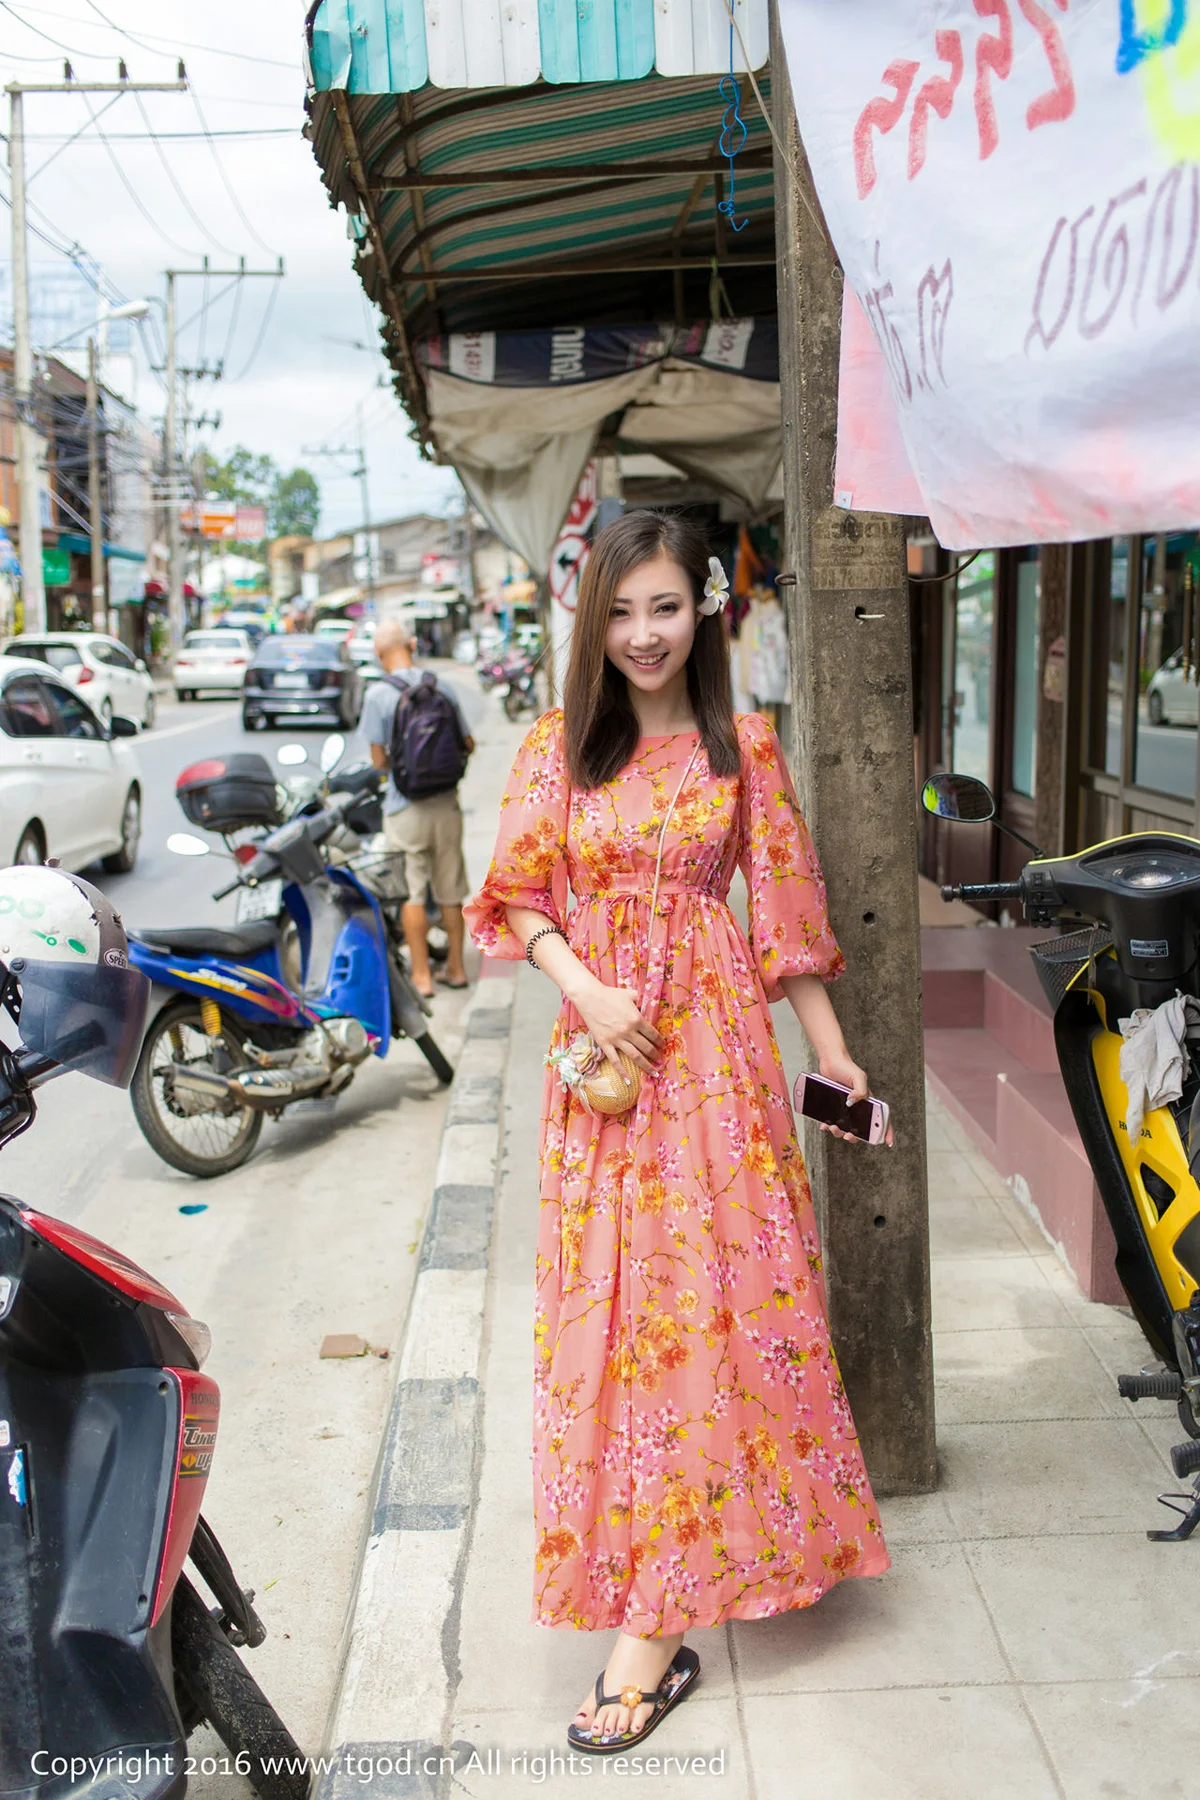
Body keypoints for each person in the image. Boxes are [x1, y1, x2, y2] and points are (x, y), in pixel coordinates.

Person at [464, 511, 890, 1757]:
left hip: (718, 1068)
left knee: (727, 1311)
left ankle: (656, 1624)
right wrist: (583, 983)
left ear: (704, 609)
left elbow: (788, 915)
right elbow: (515, 899)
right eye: (621, 610)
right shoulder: (559, 750)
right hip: (607, 1069)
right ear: (592, 619)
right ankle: (651, 1576)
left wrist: (833, 1054)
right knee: (617, 1326)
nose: (645, 634)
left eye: (665, 607)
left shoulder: (741, 746)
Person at [363, 618, 475, 996]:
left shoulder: (378, 695)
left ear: (379, 655)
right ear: (412, 645)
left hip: (404, 807)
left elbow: (378, 760)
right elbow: (469, 743)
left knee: (411, 892)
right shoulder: (441, 685)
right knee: (450, 889)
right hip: (446, 804)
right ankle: (457, 969)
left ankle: (422, 977)